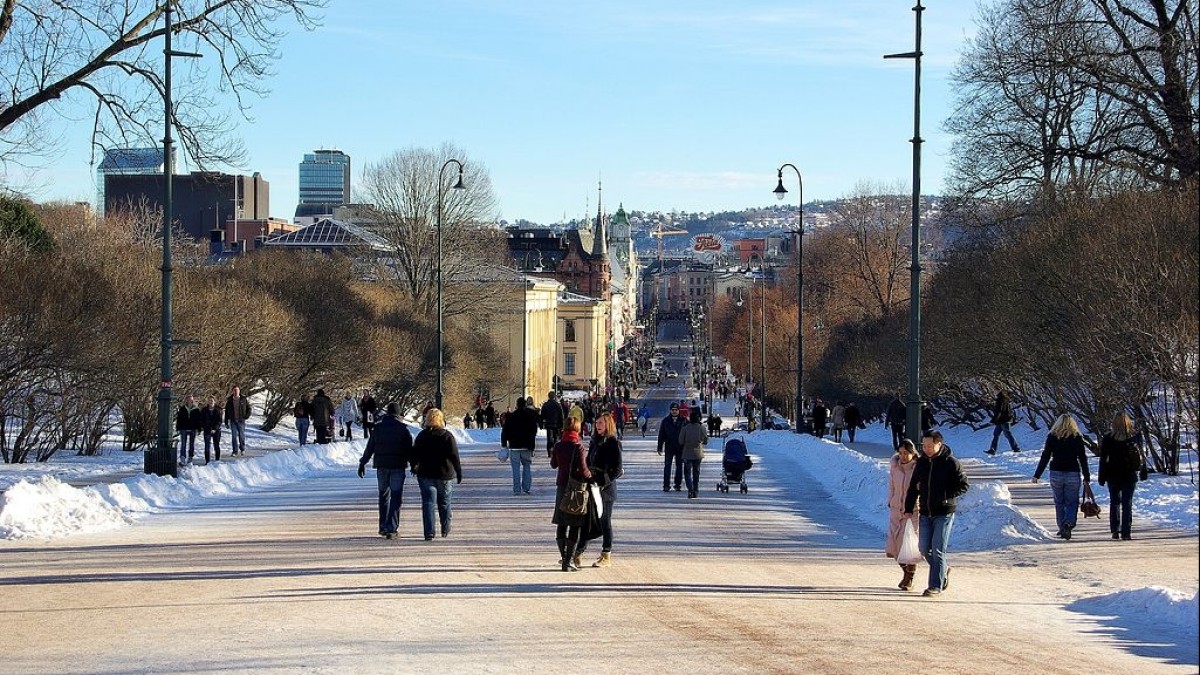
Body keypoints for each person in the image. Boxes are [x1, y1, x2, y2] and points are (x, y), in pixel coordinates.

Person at [904, 430, 970, 598]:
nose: (926, 449)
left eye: (929, 445)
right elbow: (913, 487)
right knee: (924, 548)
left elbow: (964, 485)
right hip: (926, 512)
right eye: (924, 446)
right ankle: (942, 569)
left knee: (938, 549)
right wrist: (908, 508)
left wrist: (946, 495)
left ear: (939, 444)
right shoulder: (922, 463)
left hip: (944, 512)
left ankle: (935, 586)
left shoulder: (951, 463)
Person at [357, 402, 414, 539]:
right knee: (395, 496)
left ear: (387, 414)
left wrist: (363, 462)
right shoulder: (403, 429)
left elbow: (370, 447)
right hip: (397, 466)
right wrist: (414, 464)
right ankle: (391, 528)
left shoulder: (378, 428)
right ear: (399, 414)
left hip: (381, 466)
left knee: (383, 496)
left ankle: (383, 526)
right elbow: (409, 450)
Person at [1032, 413, 1092, 540]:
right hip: (1073, 473)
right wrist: (1086, 476)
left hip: (1056, 473)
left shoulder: (1052, 437)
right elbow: (1082, 458)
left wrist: (1037, 474)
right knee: (1072, 501)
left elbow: (1046, 456)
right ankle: (1068, 523)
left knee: (1059, 502)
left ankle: (1061, 527)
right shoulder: (1077, 438)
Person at [410, 408, 462, 541]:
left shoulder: (422, 436)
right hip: (444, 474)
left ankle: (429, 532)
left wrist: (414, 466)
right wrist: (458, 470)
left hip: (426, 474)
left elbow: (414, 453)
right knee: (444, 503)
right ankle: (445, 527)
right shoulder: (447, 436)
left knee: (428, 503)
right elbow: (454, 455)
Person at [579, 412, 623, 568]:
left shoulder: (613, 443)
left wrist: (603, 482)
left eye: (601, 423)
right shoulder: (594, 442)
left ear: (608, 424)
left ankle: (606, 554)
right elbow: (588, 461)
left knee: (605, 521)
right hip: (591, 486)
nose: (598, 426)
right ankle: (578, 552)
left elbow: (617, 469)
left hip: (606, 489)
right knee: (587, 520)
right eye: (597, 423)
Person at [550, 416, 592, 571]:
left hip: (561, 486)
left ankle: (563, 557)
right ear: (578, 429)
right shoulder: (579, 446)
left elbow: (553, 464)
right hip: (576, 488)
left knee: (561, 522)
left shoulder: (559, 445)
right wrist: (591, 477)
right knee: (575, 523)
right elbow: (583, 469)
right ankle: (569, 560)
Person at [1098, 413, 1145, 541]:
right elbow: (1141, 455)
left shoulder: (1108, 438)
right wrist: (1143, 471)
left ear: (1113, 423)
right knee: (1127, 503)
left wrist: (1101, 476)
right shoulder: (1134, 437)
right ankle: (1126, 532)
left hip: (1112, 474)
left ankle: (1114, 529)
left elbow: (1103, 459)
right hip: (1129, 475)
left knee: (1114, 502)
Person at [886, 439, 920, 591]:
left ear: (913, 453)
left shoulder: (918, 469)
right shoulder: (895, 467)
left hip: (912, 511)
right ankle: (906, 573)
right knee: (895, 546)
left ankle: (909, 577)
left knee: (908, 545)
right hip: (896, 508)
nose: (903, 456)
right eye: (900, 453)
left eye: (906, 453)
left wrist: (917, 505)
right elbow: (892, 486)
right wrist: (891, 500)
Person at [501, 397, 539, 495]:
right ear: (525, 404)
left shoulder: (511, 416)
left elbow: (505, 431)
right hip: (527, 445)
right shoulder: (530, 416)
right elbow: (534, 431)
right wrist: (532, 445)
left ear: (517, 405)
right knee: (527, 466)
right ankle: (526, 488)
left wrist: (504, 443)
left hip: (514, 446)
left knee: (515, 468)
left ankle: (517, 489)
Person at [678, 408, 708, 499]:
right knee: (696, 472)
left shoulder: (685, 428)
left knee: (687, 472)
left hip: (687, 453)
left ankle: (690, 488)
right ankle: (696, 488)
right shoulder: (701, 428)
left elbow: (680, 441)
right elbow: (705, 440)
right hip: (698, 453)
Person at [657, 402, 686, 492]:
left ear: (678, 410)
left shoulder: (683, 420)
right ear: (670, 410)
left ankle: (677, 484)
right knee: (667, 466)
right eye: (672, 410)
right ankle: (666, 485)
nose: (674, 411)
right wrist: (659, 447)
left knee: (679, 466)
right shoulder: (665, 421)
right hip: (669, 446)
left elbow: (687, 433)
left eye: (676, 410)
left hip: (680, 447)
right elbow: (661, 434)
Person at [224, 385, 251, 456]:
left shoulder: (243, 399)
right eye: (234, 390)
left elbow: (249, 408)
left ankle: (242, 449)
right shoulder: (229, 400)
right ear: (232, 391)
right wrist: (226, 422)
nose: (236, 391)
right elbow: (226, 412)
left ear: (239, 391)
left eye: (237, 390)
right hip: (233, 421)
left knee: (241, 436)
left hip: (241, 421)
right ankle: (234, 451)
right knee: (234, 436)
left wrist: (246, 416)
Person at [175, 394, 199, 465]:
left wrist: (198, 428)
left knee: (191, 444)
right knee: (183, 444)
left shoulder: (196, 409)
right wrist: (178, 427)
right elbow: (179, 419)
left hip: (192, 428)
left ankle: (190, 457)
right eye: (188, 399)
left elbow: (198, 420)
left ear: (193, 401)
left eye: (191, 400)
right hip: (184, 428)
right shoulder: (182, 409)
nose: (189, 401)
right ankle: (182, 458)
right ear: (186, 400)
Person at [199, 395, 223, 464]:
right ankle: (207, 461)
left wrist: (215, 428)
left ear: (214, 401)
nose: (210, 402)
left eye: (212, 400)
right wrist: (205, 427)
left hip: (216, 430)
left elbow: (220, 421)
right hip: (207, 430)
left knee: (216, 444)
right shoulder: (204, 410)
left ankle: (217, 460)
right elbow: (201, 420)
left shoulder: (218, 410)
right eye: (209, 400)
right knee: (207, 445)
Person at [540, 391, 564, 456]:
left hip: (548, 424)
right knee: (556, 437)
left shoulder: (545, 405)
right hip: (556, 424)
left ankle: (549, 450)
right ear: (554, 397)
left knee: (549, 438)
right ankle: (555, 450)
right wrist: (562, 425)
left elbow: (542, 415)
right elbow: (561, 416)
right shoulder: (558, 405)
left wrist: (541, 424)